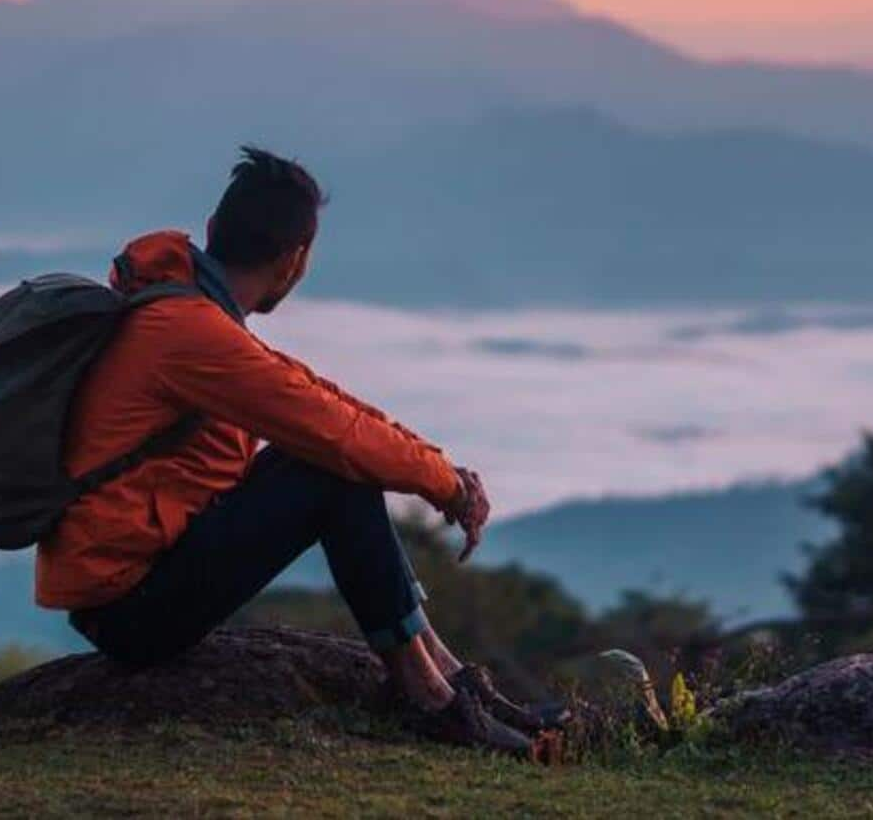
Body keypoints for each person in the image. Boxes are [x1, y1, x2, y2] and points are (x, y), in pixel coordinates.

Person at [36, 146, 556, 755]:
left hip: (132, 583)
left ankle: (451, 678)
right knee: (332, 470)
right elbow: (332, 432)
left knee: (328, 460)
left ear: (212, 232)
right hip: (132, 608)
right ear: (296, 259)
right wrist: (446, 486)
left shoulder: (184, 313)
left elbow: (313, 396)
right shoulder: (188, 334)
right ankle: (429, 696)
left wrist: (440, 468)